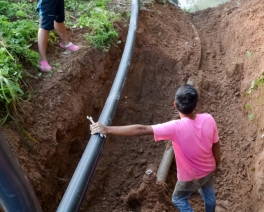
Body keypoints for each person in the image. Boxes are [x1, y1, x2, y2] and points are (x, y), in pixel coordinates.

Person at [90, 85, 221, 212]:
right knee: (210, 198)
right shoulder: (209, 119)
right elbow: (216, 146)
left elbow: (141, 129)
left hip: (190, 177)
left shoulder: (175, 127)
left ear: (175, 105)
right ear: (196, 104)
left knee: (178, 199)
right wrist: (216, 164)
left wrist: (108, 129)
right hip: (209, 169)